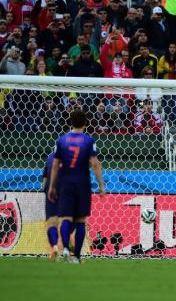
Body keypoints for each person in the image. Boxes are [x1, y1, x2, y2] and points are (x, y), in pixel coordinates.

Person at [48, 109, 105, 264]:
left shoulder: (62, 140)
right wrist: (101, 185)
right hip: (82, 183)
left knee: (65, 218)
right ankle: (77, 257)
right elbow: (94, 163)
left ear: (70, 122)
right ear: (85, 123)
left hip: (65, 183)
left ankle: (65, 248)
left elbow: (55, 165)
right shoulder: (89, 140)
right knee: (80, 221)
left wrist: (52, 186)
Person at [42, 152, 60, 261]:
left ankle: (54, 246)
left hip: (51, 188)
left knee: (51, 221)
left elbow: (45, 177)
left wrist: (45, 190)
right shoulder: (71, 157)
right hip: (67, 188)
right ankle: (71, 249)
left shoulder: (50, 157)